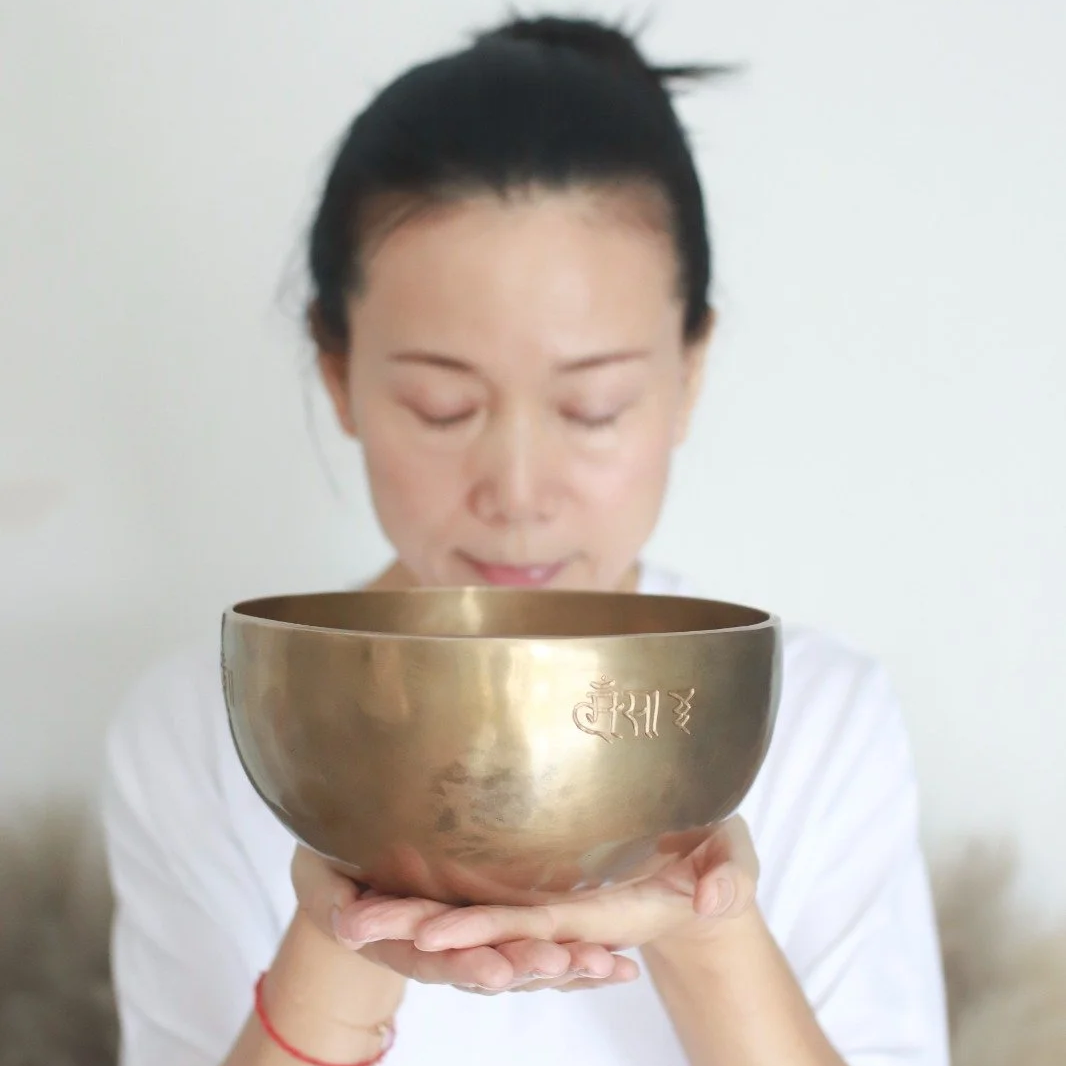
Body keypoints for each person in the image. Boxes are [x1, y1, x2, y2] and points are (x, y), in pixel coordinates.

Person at [102, 14, 950, 1066]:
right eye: (441, 407)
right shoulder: (202, 734)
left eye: (590, 409)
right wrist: (345, 931)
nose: (516, 492)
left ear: (687, 372)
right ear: (338, 374)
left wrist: (707, 923)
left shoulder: (820, 725)